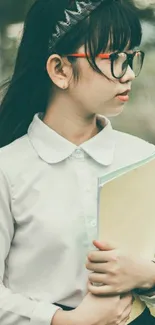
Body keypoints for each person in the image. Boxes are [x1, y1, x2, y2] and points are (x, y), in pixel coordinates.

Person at [0, 0, 155, 324]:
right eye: (113, 58)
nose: (127, 74)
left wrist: (147, 276)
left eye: (130, 58)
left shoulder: (146, 158)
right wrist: (61, 321)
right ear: (60, 69)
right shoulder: (8, 169)